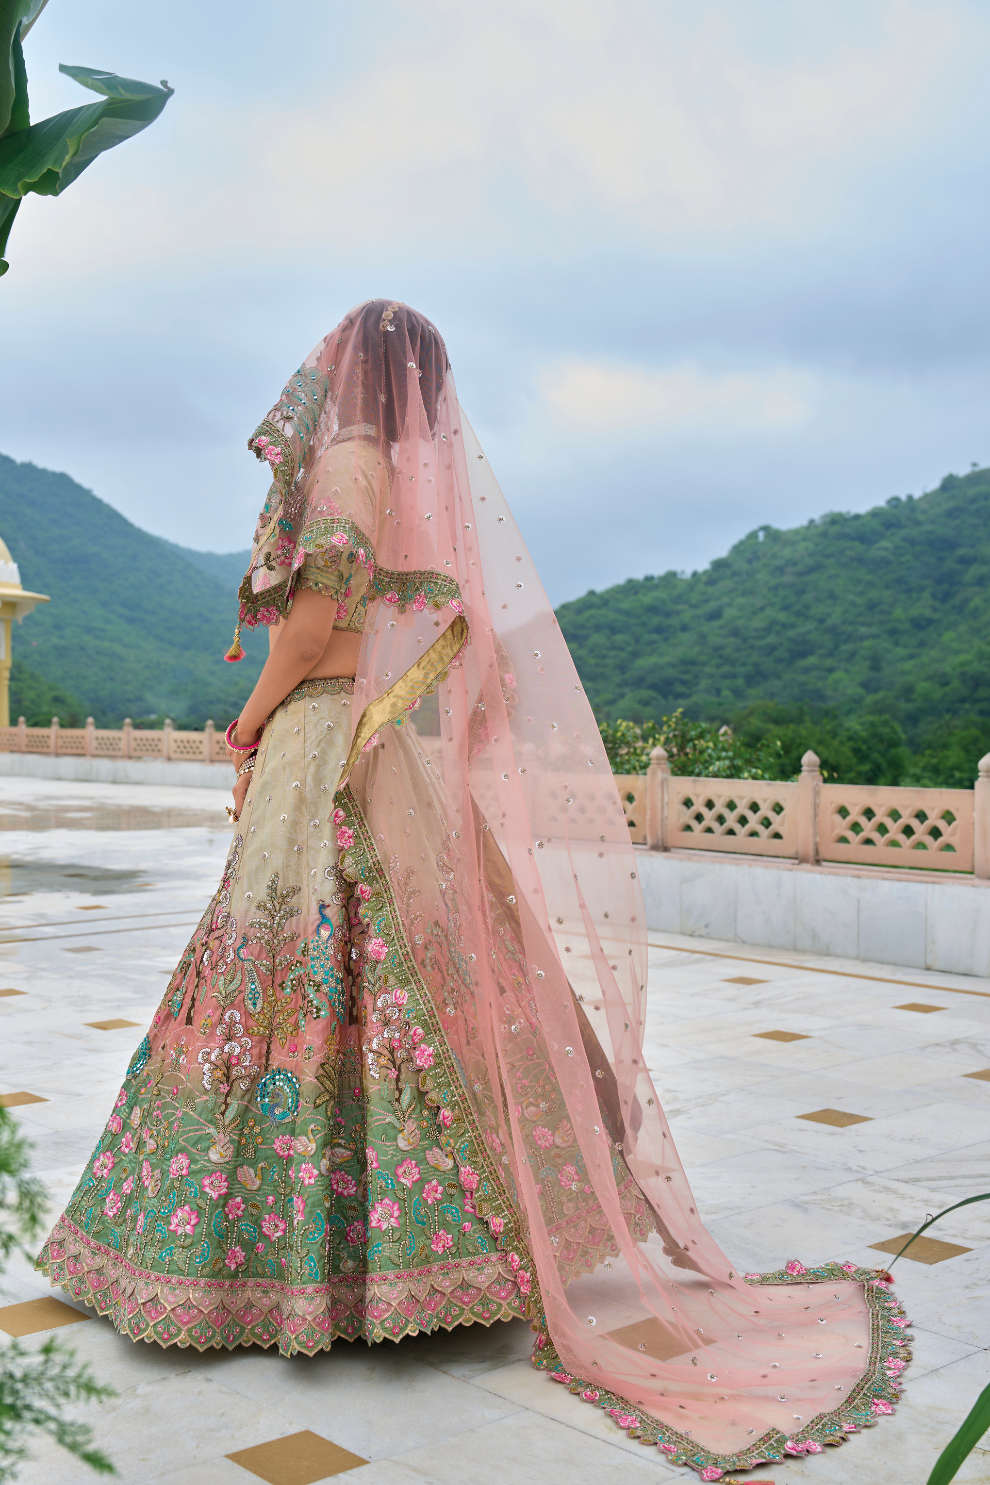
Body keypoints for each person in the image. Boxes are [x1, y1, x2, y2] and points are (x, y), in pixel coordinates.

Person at [37, 301, 906, 1477]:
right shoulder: (419, 481)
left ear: (354, 374)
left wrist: (244, 728)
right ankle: (435, 1248)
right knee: (397, 966)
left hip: (323, 747)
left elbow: (308, 629)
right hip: (388, 747)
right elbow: (431, 631)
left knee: (289, 968)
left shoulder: (345, 465)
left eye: (334, 359)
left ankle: (284, 1265)